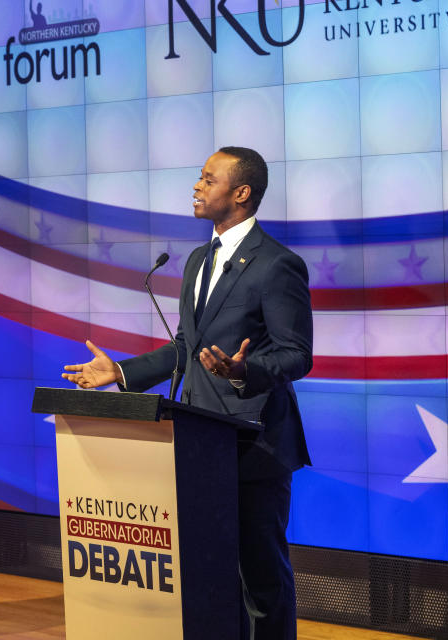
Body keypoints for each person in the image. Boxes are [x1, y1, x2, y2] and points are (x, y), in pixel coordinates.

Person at [61, 147, 312, 640]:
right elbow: (186, 347)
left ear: (241, 193)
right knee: (212, 577)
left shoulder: (277, 264)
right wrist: (120, 371)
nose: (197, 186)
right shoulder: (199, 260)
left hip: (254, 443)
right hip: (199, 443)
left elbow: (295, 354)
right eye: (199, 178)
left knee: (260, 580)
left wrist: (244, 370)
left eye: (208, 179)